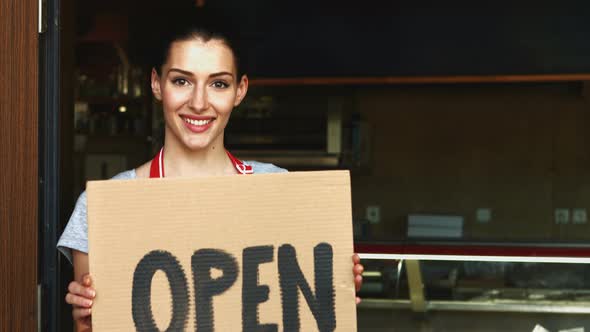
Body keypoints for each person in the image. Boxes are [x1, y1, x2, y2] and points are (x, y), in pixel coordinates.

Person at [58, 11, 364, 331]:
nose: (199, 102)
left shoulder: (280, 192)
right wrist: (87, 325)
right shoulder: (103, 208)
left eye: (218, 83)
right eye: (181, 81)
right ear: (156, 84)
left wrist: (335, 294)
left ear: (240, 91)